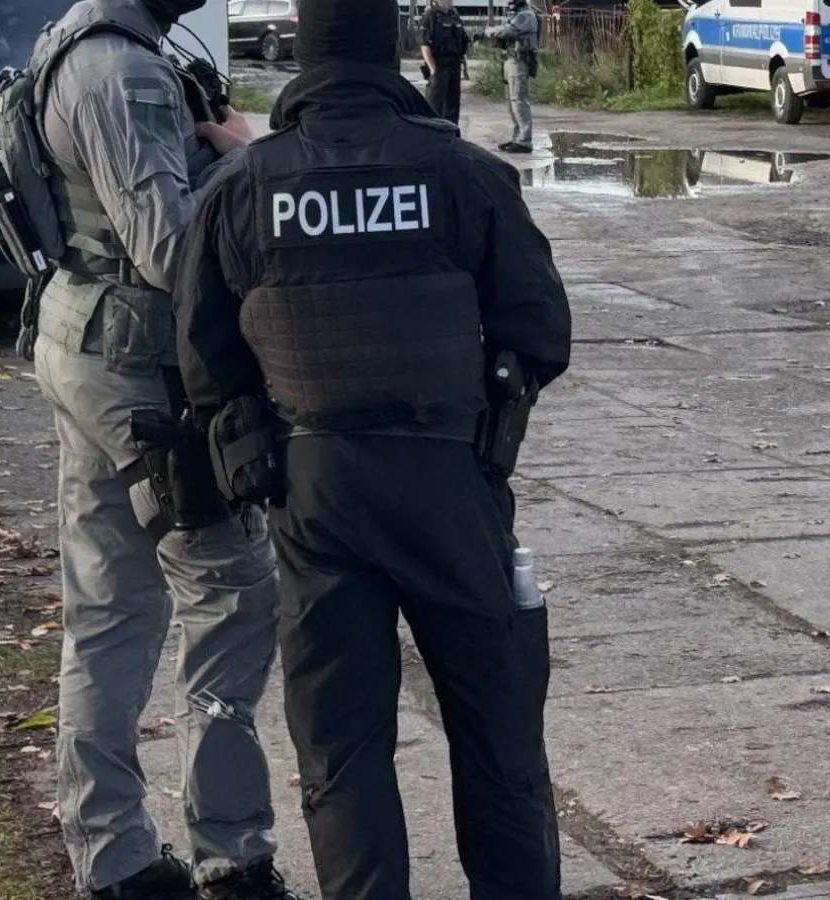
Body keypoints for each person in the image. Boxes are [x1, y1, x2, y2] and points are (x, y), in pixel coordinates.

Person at [173, 0, 572, 897]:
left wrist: (258, 458)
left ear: (300, 61)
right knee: (499, 737)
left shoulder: (241, 188)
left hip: (316, 493)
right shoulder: (462, 173)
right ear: (395, 51)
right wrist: (489, 439)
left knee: (341, 751)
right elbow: (539, 331)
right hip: (449, 482)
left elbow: (204, 359)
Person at [17, 1, 300, 898]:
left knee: (109, 604)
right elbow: (173, 248)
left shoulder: (75, 42)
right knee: (233, 593)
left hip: (85, 339)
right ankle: (232, 855)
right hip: (142, 370)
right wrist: (242, 162)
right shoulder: (126, 70)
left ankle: (114, 859)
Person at [485, 0, 539, 154]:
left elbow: (508, 31)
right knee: (511, 101)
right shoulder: (516, 14)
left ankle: (525, 141)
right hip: (510, 60)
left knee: (519, 101)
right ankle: (517, 138)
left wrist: (490, 31)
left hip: (520, 62)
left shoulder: (526, 15)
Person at [419, 0, 470, 125]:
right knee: (435, 105)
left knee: (452, 105)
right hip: (439, 65)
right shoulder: (430, 16)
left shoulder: (454, 16)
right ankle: (433, 138)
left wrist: (464, 68)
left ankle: (452, 136)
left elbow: (462, 42)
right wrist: (433, 69)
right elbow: (425, 45)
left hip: (455, 65)